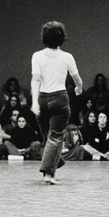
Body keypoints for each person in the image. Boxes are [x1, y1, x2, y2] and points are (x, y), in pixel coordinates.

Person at [30, 20, 83, 184]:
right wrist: (79, 89)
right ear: (62, 37)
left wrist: (34, 102)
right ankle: (48, 173)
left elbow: (35, 80)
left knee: (49, 137)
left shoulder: (37, 56)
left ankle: (55, 162)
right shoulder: (67, 57)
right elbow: (77, 79)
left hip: (42, 98)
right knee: (54, 137)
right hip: (60, 98)